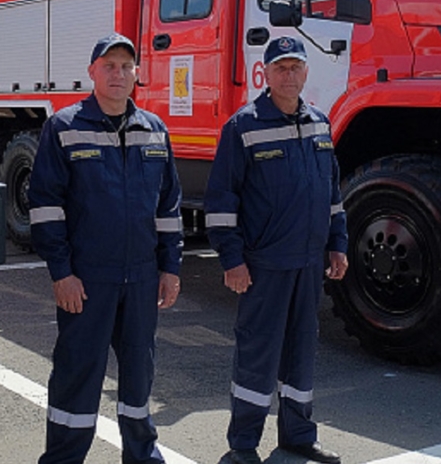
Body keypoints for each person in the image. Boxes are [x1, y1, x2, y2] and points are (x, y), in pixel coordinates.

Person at [28, 32, 185, 464]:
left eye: (125, 66)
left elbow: (168, 206)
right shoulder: (64, 127)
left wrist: (170, 268)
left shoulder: (154, 131)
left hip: (141, 278)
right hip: (88, 279)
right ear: (92, 72)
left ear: (137, 74)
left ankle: (142, 456)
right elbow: (45, 207)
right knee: (77, 375)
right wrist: (61, 272)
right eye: (109, 66)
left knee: (139, 376)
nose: (118, 74)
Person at [204, 36, 349, 464]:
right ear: (265, 74)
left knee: (302, 351)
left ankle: (298, 436)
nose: (289, 75)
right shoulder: (243, 127)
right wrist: (232, 259)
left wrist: (337, 245)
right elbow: (221, 202)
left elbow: (331, 194)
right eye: (280, 68)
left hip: (308, 262)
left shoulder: (320, 124)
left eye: (296, 67)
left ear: (306, 73)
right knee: (257, 355)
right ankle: (243, 446)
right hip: (264, 264)